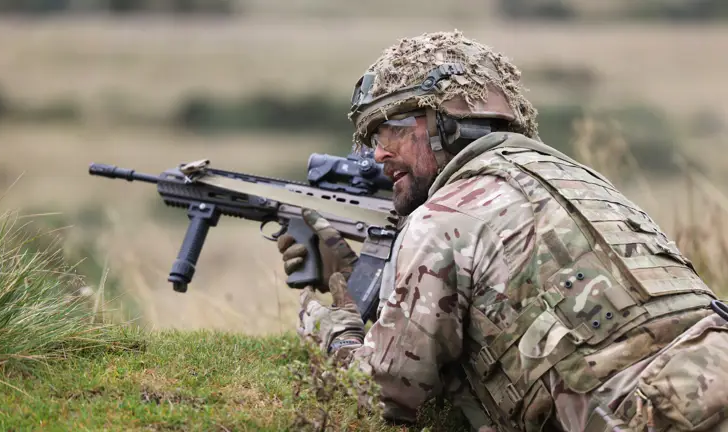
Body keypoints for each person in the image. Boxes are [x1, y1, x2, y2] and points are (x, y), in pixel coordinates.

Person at [277, 30, 728, 432]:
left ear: (440, 124)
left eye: (388, 131)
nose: (378, 155)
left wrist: (335, 330)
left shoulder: (443, 216)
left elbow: (385, 391)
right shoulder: (588, 183)